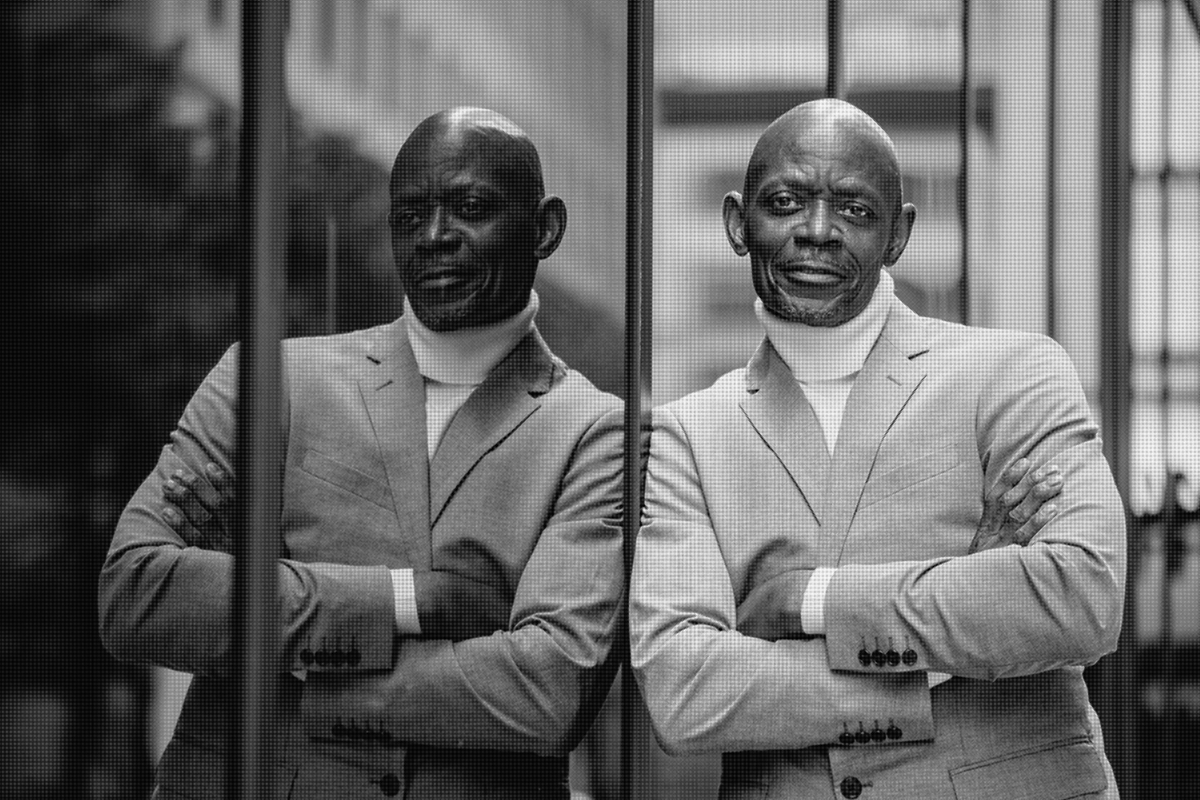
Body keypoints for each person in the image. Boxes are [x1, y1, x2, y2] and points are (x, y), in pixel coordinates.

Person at [98, 107, 625, 799]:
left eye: (470, 207)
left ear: (546, 227)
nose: (434, 237)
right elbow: (137, 595)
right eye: (410, 216)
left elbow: (546, 692)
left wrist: (299, 675)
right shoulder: (271, 379)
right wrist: (404, 602)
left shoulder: (598, 432)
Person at [629, 99, 1125, 799]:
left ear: (899, 235)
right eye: (786, 202)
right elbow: (684, 693)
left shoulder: (1015, 374)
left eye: (856, 211)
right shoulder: (688, 435)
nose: (818, 232)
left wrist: (814, 603)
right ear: (738, 224)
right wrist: (956, 624)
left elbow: (1083, 594)